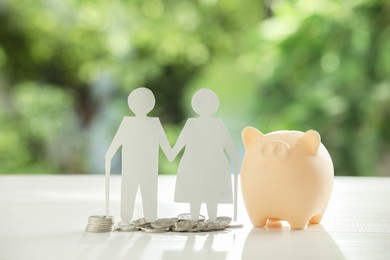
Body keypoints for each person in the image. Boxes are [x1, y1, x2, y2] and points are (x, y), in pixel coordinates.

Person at [105, 88, 172, 222]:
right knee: (135, 199)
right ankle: (135, 221)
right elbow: (169, 153)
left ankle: (137, 221)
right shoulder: (151, 124)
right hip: (143, 169)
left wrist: (108, 157)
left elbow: (111, 149)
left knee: (135, 198)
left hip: (139, 169)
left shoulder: (130, 123)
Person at [172, 89, 240, 221]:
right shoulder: (191, 124)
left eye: (208, 104)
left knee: (211, 193)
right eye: (202, 104)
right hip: (195, 165)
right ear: (196, 105)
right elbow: (177, 147)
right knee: (196, 193)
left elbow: (229, 145)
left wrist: (236, 158)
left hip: (213, 165)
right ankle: (194, 220)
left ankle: (211, 221)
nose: (205, 107)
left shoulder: (217, 124)